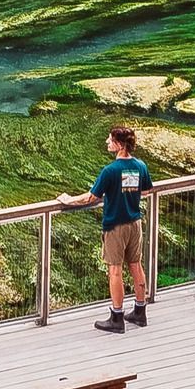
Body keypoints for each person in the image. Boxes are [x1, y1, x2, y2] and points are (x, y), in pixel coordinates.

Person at [58, 124, 154, 332]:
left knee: (115, 270)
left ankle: (117, 317)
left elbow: (92, 196)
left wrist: (68, 200)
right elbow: (146, 191)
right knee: (136, 265)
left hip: (115, 225)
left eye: (110, 140)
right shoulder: (140, 165)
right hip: (135, 222)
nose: (106, 142)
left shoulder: (110, 171)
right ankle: (140, 311)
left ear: (119, 145)